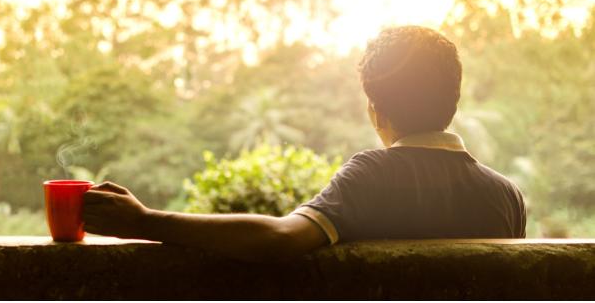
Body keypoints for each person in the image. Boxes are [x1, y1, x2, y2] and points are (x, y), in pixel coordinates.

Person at [83, 25, 526, 262]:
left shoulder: (372, 175)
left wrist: (144, 221)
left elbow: (280, 237)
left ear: (377, 112)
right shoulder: (507, 197)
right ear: (454, 98)